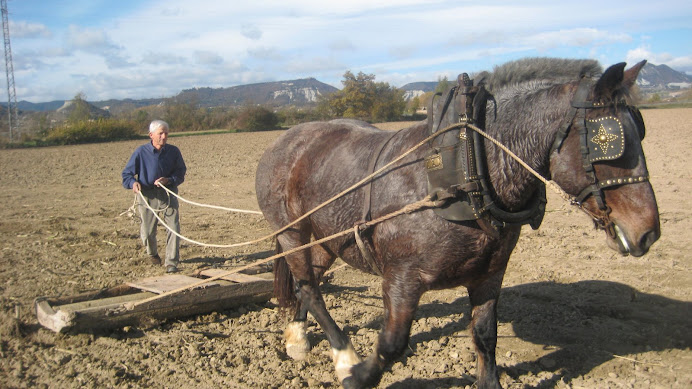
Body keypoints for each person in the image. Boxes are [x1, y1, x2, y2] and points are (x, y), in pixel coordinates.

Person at [122, 120, 186, 273]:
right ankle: (152, 253)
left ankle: (171, 262)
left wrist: (169, 180)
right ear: (151, 135)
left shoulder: (173, 151)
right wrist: (133, 183)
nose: (164, 137)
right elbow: (127, 174)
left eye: (166, 133)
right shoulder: (140, 152)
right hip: (147, 195)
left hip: (167, 193)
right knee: (148, 231)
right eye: (160, 133)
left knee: (174, 228)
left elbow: (180, 172)